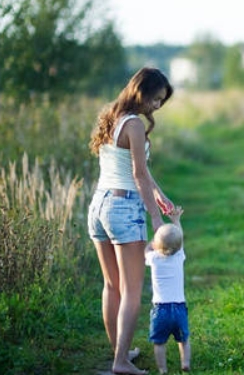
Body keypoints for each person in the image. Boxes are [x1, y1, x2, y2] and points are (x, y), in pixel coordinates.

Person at [87, 67, 175, 375]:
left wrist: (159, 194)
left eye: (161, 102)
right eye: (156, 99)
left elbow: (136, 169)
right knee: (132, 290)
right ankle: (121, 362)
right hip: (124, 207)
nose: (157, 107)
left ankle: (120, 351)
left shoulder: (113, 115)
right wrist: (155, 217)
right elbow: (137, 175)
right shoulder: (135, 124)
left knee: (112, 285)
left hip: (99, 205)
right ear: (143, 91)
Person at [145, 206, 191, 374]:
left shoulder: (154, 258)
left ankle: (163, 369)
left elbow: (147, 250)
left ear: (157, 244)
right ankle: (185, 363)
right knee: (183, 339)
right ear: (179, 247)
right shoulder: (179, 256)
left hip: (160, 310)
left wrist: (152, 243)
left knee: (159, 342)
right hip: (179, 308)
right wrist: (176, 220)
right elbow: (180, 240)